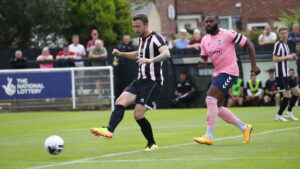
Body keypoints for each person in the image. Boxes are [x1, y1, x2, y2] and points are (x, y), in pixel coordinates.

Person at [90, 14, 171, 151]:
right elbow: (138, 54)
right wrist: (121, 54)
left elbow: (166, 54)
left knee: (138, 114)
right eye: (133, 26)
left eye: (138, 26)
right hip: (140, 80)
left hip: (153, 82)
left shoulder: (156, 38)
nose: (135, 29)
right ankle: (109, 131)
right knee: (120, 101)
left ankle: (152, 143)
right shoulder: (141, 38)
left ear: (146, 24)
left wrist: (150, 60)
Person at [193, 14, 260, 145]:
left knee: (210, 99)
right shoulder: (204, 40)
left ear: (218, 22)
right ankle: (245, 128)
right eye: (206, 22)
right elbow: (204, 58)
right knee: (217, 107)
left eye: (211, 22)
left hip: (230, 72)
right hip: (219, 74)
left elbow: (249, 44)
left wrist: (253, 65)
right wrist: (202, 62)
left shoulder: (228, 34)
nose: (208, 24)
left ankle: (209, 136)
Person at [273, 27, 300, 121]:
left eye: (285, 33)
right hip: (281, 75)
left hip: (287, 74)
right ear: (279, 35)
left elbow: (285, 58)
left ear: (288, 34)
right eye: (282, 33)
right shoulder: (278, 44)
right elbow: (275, 59)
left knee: (297, 92)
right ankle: (279, 115)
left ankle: (288, 113)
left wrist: (289, 57)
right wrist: (287, 56)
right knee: (287, 96)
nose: (284, 35)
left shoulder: (286, 45)